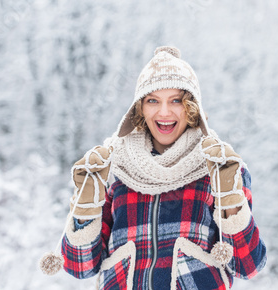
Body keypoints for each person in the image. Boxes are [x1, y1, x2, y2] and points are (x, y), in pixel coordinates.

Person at [61, 46, 267, 289]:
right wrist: (85, 209)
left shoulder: (220, 168)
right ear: (140, 108)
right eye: (153, 100)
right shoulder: (115, 171)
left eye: (176, 100)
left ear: (192, 106)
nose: (164, 112)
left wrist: (231, 202)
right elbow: (80, 268)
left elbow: (248, 266)